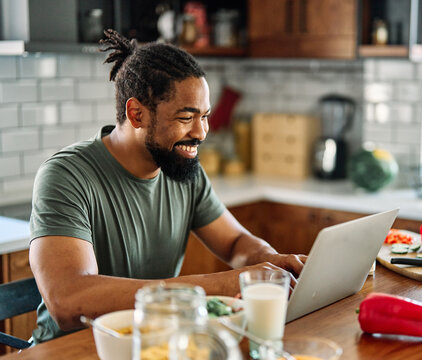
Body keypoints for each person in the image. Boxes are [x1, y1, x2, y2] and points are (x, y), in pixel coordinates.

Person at [29, 29, 307, 344]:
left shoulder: (184, 170)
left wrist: (272, 264)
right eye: (186, 118)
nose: (202, 132)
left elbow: (234, 244)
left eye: (205, 116)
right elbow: (66, 300)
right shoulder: (67, 176)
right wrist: (219, 285)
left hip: (155, 344)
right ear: (136, 114)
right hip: (73, 350)